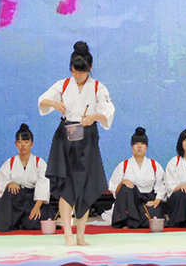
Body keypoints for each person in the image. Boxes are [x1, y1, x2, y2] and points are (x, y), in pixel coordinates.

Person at [38, 41, 115, 246]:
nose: (78, 76)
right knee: (66, 185)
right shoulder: (63, 84)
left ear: (90, 68)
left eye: (82, 72)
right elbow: (42, 100)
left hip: (87, 139)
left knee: (85, 186)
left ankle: (80, 236)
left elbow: (108, 111)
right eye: (74, 71)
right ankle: (68, 235)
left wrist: (94, 116)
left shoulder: (98, 87)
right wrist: (53, 102)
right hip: (65, 138)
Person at [0, 123, 55, 232]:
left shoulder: (39, 163)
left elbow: (43, 185)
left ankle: (23, 220)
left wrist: (36, 207)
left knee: (32, 224)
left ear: (32, 143)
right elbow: (1, 182)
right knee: (1, 223)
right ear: (16, 144)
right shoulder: (10, 162)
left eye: (26, 142)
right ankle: (14, 222)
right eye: (20, 142)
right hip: (16, 200)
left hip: (32, 200)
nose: (23, 145)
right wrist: (9, 183)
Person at [107, 127, 166, 228]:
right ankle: (126, 220)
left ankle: (134, 221)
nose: (139, 147)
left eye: (142, 144)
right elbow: (113, 188)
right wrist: (122, 183)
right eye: (136, 144)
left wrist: (156, 201)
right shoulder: (123, 165)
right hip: (130, 201)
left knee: (152, 215)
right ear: (131, 146)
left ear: (146, 146)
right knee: (125, 188)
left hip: (147, 199)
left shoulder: (154, 165)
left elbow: (161, 186)